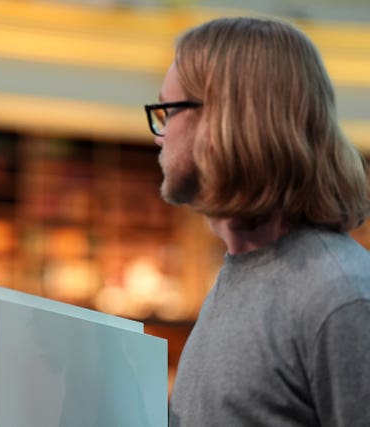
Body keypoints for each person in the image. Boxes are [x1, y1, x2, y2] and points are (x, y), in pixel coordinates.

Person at [144, 17, 370, 426]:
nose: (159, 136)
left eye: (168, 112)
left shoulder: (341, 297)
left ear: (225, 121)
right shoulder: (240, 274)